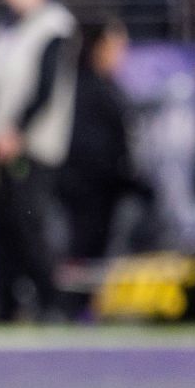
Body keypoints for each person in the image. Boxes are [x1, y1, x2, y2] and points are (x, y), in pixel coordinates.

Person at [0, 0, 77, 321]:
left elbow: (44, 89)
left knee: (31, 227)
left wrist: (15, 133)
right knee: (2, 230)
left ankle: (52, 303)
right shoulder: (5, 29)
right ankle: (7, 304)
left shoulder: (54, 26)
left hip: (31, 147)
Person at [60, 17, 141, 263]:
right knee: (85, 254)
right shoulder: (84, 88)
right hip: (88, 189)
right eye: (117, 47)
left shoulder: (110, 86)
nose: (121, 55)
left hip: (108, 190)